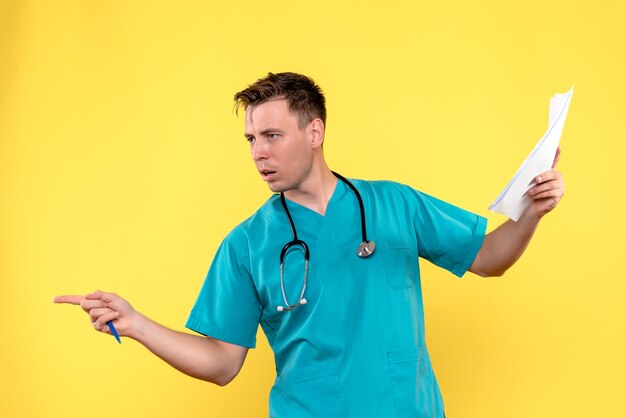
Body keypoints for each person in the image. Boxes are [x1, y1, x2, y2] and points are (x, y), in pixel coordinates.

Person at [55, 72, 565, 417]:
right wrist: (137, 324)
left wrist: (533, 212)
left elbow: (489, 258)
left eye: (272, 135)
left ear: (315, 131)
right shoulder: (247, 244)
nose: (259, 153)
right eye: (251, 140)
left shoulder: (395, 205)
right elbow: (222, 363)